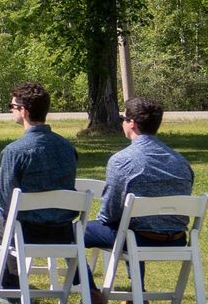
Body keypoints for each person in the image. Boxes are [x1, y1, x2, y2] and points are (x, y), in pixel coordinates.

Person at [0, 82, 92, 301]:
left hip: (25, 230)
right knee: (2, 228)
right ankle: (15, 285)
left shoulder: (14, 151)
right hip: (63, 231)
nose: (11, 110)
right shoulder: (67, 148)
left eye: (12, 106)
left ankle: (10, 289)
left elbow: (7, 201)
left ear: (24, 111)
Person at [83, 96, 195, 256]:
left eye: (123, 118)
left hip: (136, 238)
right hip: (177, 239)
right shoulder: (181, 162)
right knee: (129, 224)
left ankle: (84, 282)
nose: (122, 122)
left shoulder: (122, 161)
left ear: (132, 123)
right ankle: (136, 282)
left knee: (74, 232)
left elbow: (109, 213)